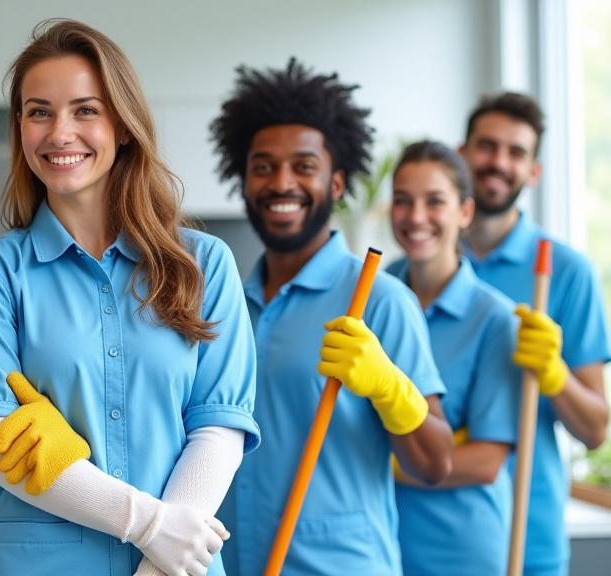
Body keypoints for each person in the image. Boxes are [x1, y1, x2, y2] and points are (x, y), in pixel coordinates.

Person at [0, 19, 259, 576]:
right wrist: (147, 525)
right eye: (39, 111)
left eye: (85, 110)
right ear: (20, 127)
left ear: (123, 124)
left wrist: (160, 563)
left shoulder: (203, 264)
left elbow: (219, 425)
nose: (60, 132)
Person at [209, 59, 454, 575]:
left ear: (336, 183)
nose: (281, 183)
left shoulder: (380, 302)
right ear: (243, 179)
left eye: (303, 166)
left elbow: (434, 463)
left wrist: (390, 388)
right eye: (263, 166)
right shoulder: (223, 303)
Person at [460, 91, 610, 575]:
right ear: (462, 154)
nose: (498, 162)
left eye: (516, 152)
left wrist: (554, 373)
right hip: (423, 535)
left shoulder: (566, 272)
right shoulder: (411, 271)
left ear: (533, 171)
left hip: (527, 540)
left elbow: (595, 430)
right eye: (486, 146)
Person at [385, 140, 520, 575]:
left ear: (465, 212)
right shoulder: (372, 296)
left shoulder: (494, 319)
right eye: (403, 201)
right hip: (379, 541)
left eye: (434, 202)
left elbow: (485, 462)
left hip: (459, 550)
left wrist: (387, 462)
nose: (416, 217)